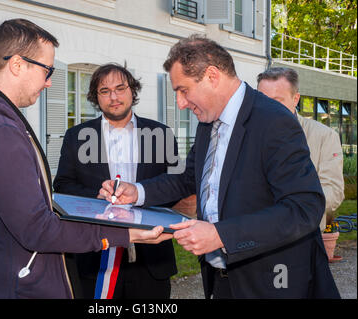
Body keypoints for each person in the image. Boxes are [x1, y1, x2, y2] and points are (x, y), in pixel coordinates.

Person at [0, 19, 170, 299]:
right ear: (17, 64)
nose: (49, 82)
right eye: (46, 70)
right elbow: (38, 228)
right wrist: (126, 234)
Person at [99, 34, 340, 299]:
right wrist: (137, 192)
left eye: (184, 90)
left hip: (270, 282)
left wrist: (221, 235)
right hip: (220, 279)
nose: (180, 103)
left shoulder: (273, 121)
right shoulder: (207, 122)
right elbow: (189, 178)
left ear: (212, 76)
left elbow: (304, 207)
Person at [53, 64, 178, 299]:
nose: (114, 97)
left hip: (151, 258)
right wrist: (98, 197)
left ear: (133, 91)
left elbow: (176, 185)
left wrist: (142, 194)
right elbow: (62, 186)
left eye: (120, 88)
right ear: (95, 97)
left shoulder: (160, 134)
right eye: (104, 91)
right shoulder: (76, 137)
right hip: (96, 256)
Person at [257, 67, 344, 231]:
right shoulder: (246, 134)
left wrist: (292, 209)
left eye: (277, 100)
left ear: (295, 99)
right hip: (253, 237)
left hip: (302, 238)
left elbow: (334, 192)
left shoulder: (324, 136)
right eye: (262, 99)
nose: (267, 107)